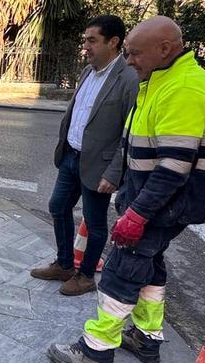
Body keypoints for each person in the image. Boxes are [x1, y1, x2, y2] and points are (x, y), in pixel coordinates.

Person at [48, 16, 205, 363]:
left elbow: (174, 166)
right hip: (157, 201)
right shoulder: (161, 79)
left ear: (164, 49)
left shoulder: (184, 90)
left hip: (164, 204)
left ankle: (96, 348)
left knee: (121, 270)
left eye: (134, 54)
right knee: (149, 267)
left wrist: (137, 214)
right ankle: (146, 338)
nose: (129, 61)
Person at [30, 15, 140, 296]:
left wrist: (114, 172)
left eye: (92, 41)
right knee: (58, 207)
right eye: (85, 41)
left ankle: (86, 275)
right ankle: (65, 265)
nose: (85, 47)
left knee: (94, 221)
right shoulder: (87, 72)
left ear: (113, 42)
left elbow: (129, 133)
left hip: (99, 166)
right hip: (71, 156)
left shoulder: (128, 79)